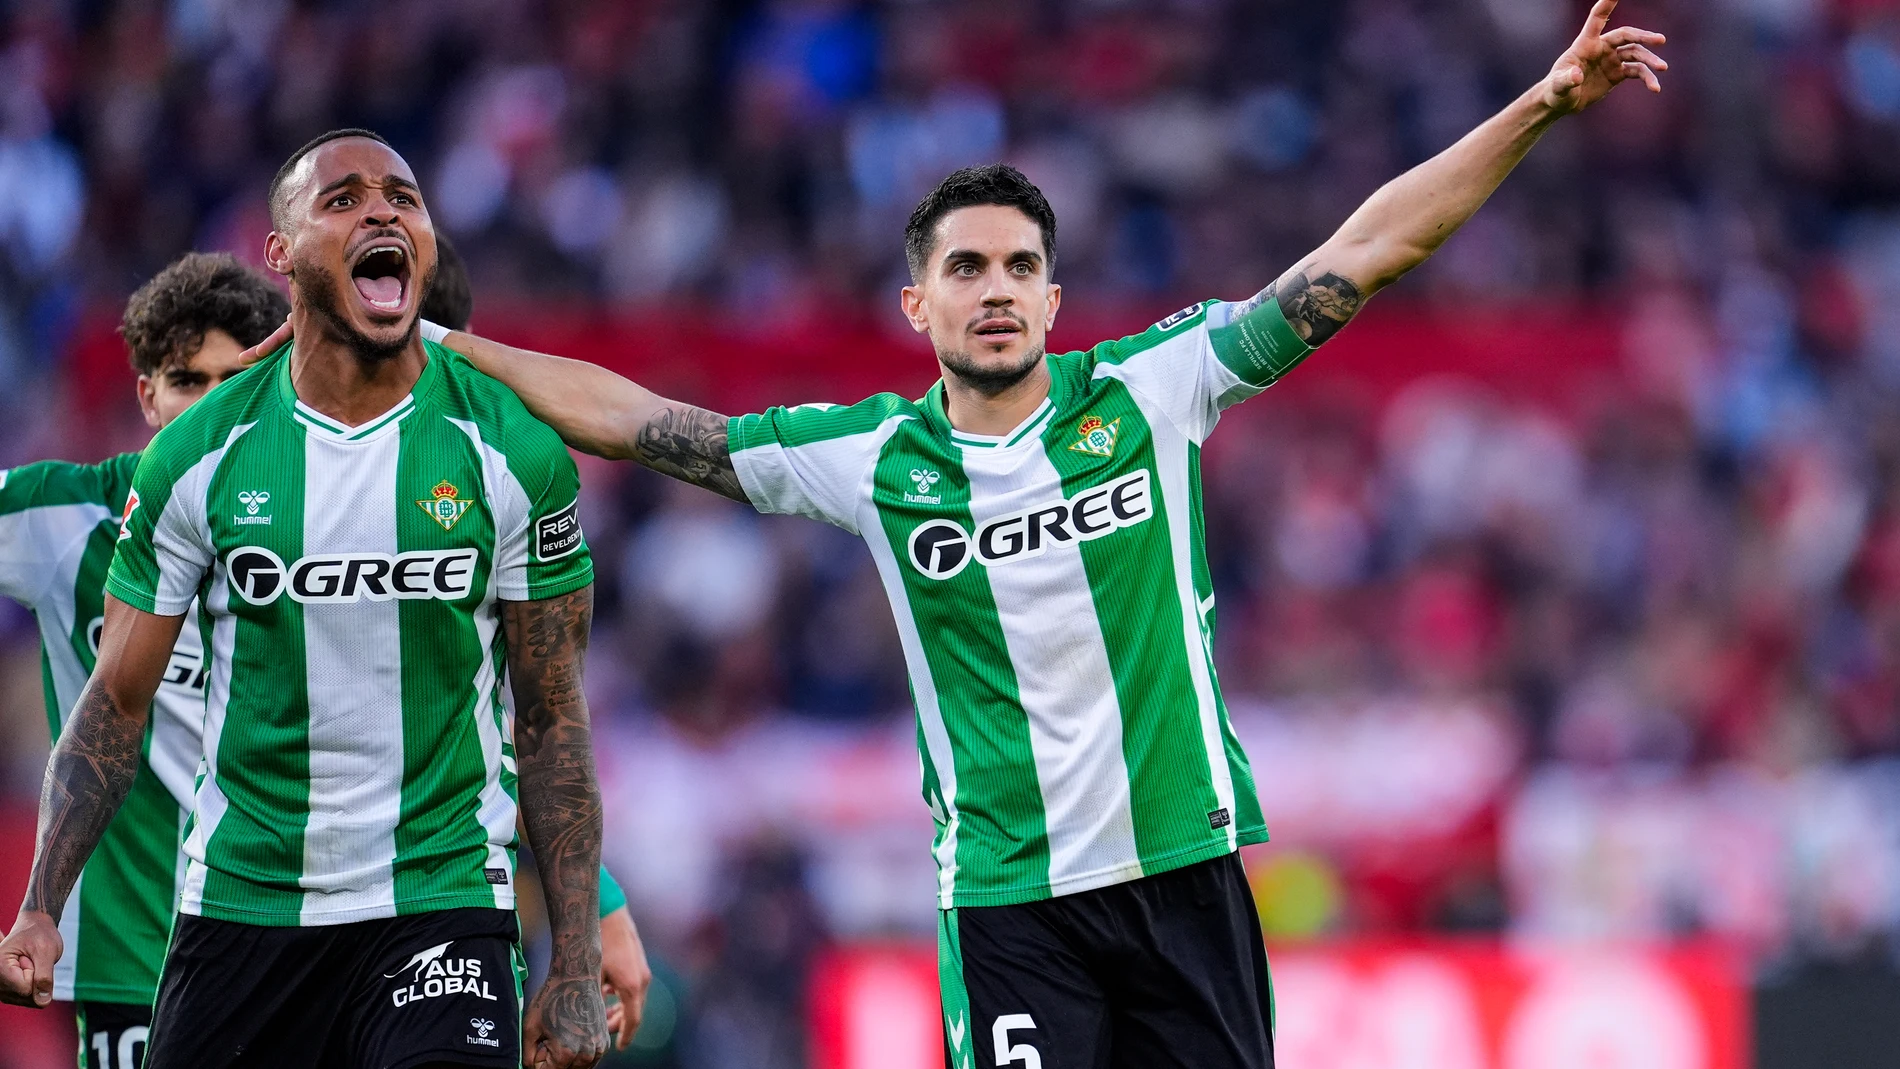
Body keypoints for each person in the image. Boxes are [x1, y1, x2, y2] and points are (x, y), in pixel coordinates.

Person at [247, 8, 1667, 1067]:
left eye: (1022, 269)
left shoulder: (1153, 388)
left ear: (1056, 301)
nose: (998, 292)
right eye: (967, 269)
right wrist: (430, 342)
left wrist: (1539, 102)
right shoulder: (873, 457)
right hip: (1011, 908)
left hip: (1186, 882)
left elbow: (1365, 253)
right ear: (915, 307)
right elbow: (641, 421)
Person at [0, 128, 610, 1069]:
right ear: (281, 254)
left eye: (403, 197)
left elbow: (552, 721)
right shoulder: (197, 458)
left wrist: (574, 953)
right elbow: (114, 704)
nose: (382, 211)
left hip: (439, 900)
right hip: (243, 905)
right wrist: (41, 904)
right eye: (344, 198)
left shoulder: (514, 454)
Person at [0, 252, 283, 1069]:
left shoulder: (324, 532)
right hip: (136, 968)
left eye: (234, 380)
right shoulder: (69, 521)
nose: (211, 404)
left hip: (299, 947)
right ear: (147, 397)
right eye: (188, 380)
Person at [423, 231, 654, 1053]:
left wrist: (597, 904)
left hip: (429, 905)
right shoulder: (215, 485)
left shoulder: (489, 475)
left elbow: (502, 726)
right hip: (228, 913)